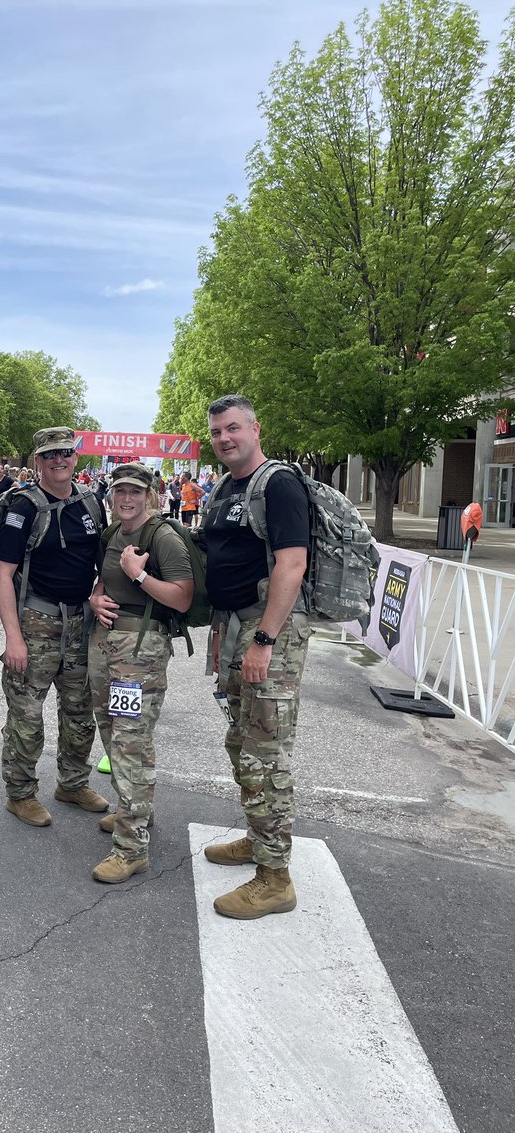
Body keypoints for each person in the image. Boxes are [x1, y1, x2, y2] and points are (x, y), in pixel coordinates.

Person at [200, 394, 310, 920]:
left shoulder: (278, 483)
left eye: (234, 428)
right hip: (235, 628)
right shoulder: (226, 487)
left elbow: (292, 564)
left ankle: (275, 878)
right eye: (219, 431)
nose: (226, 438)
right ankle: (257, 839)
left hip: (269, 635)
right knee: (241, 743)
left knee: (264, 755)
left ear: (255, 428)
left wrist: (264, 641)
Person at [0, 426, 108, 827]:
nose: (59, 460)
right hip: (36, 621)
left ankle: (72, 783)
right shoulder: (23, 507)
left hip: (81, 621)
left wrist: (98, 592)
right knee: (27, 714)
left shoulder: (92, 502)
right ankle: (20, 793)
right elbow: (2, 574)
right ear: (37, 462)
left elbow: (103, 563)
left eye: (66, 453)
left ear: (76, 458)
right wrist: (13, 637)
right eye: (49, 455)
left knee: (80, 712)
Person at [88, 464, 194, 883]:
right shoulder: (113, 534)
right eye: (120, 492)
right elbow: (103, 581)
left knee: (132, 741)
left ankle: (132, 848)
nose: (126, 499)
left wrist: (141, 575)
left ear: (150, 495)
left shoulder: (162, 537)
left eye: (135, 492)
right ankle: (130, 812)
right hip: (106, 643)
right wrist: (96, 599)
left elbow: (182, 599)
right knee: (111, 733)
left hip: (141, 651)